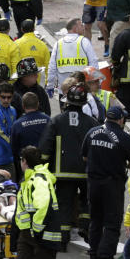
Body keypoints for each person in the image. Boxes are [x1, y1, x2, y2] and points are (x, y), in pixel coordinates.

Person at [14, 146, 66, 259]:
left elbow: (42, 205)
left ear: (24, 161)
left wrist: (35, 229)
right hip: (27, 235)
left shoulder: (39, 179)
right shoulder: (27, 180)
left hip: (43, 236)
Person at [39, 84, 97, 246]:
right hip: (85, 172)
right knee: (86, 201)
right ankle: (85, 227)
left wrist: (42, 166)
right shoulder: (92, 123)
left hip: (62, 172)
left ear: (67, 102)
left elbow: (45, 148)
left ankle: (63, 238)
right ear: (84, 103)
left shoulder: (56, 121)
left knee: (64, 204)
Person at [81, 104, 130, 259]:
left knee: (96, 220)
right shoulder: (125, 138)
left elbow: (84, 156)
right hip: (113, 184)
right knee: (112, 223)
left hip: (94, 183)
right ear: (120, 119)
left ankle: (93, 257)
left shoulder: (91, 132)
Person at [47, 18, 98, 93]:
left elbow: (52, 67)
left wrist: (50, 85)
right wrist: (96, 83)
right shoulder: (84, 42)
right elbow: (93, 64)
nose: (83, 27)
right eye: (81, 25)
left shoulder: (58, 44)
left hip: (64, 91)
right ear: (75, 28)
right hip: (82, 90)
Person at [9, 92, 51, 181]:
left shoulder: (17, 125)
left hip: (26, 165)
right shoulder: (48, 120)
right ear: (38, 104)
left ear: (23, 106)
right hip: (45, 164)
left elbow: (13, 148)